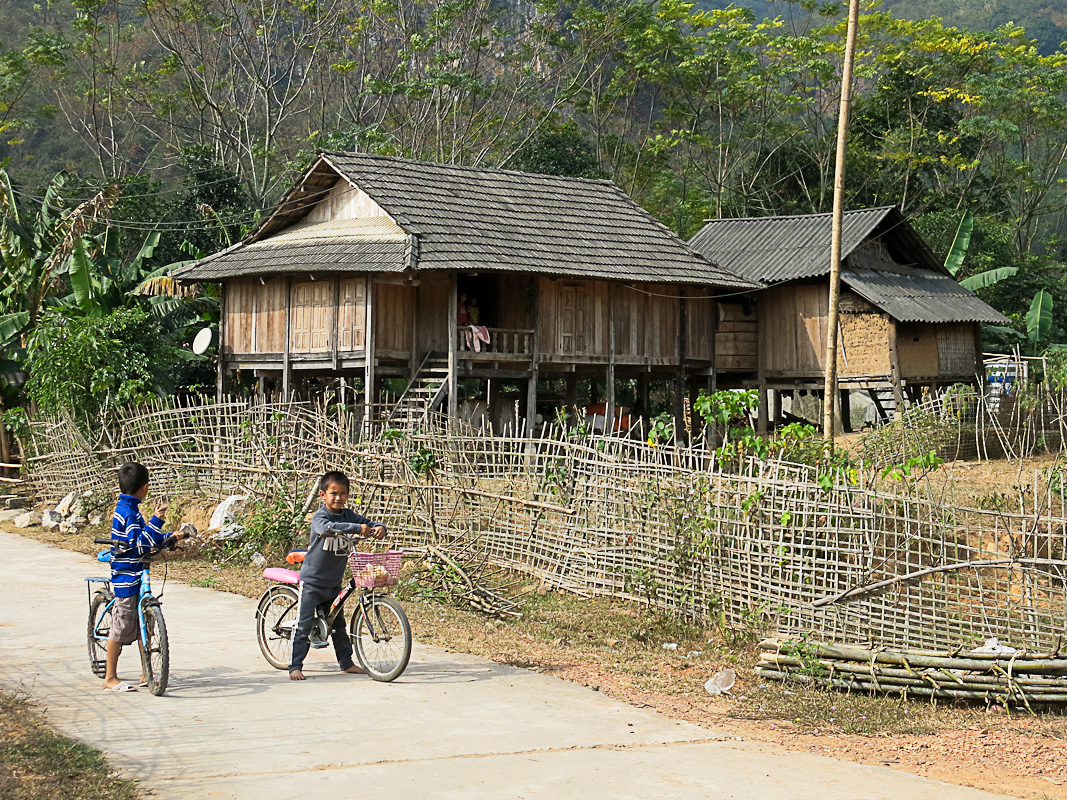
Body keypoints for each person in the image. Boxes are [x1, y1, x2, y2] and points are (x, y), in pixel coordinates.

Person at [289, 470, 387, 681]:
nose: (338, 498)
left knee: (339, 626)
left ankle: (346, 663)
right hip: (313, 582)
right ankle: (295, 666)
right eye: (333, 493)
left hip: (334, 583)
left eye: (343, 493)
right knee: (304, 625)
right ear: (323, 495)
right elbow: (325, 529)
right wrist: (356, 528)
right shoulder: (320, 516)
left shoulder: (348, 515)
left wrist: (379, 527)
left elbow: (368, 523)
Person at [104, 462, 189, 692]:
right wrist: (156, 520)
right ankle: (110, 677)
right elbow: (142, 544)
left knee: (145, 625)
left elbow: (148, 539)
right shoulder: (127, 513)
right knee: (120, 628)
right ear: (144, 487)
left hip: (137, 574)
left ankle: (146, 673)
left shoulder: (132, 509)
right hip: (126, 579)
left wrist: (171, 536)